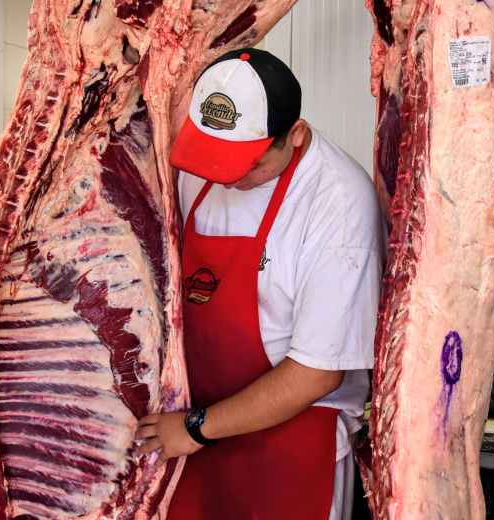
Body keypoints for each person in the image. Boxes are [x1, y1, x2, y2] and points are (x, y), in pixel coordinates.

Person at [135, 48, 384, 520]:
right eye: (214, 159)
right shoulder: (199, 173)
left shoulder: (337, 202)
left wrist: (195, 428)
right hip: (196, 431)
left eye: (247, 165)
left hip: (292, 445)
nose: (228, 180)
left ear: (295, 135)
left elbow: (316, 373)